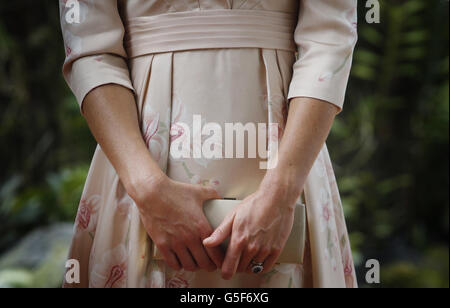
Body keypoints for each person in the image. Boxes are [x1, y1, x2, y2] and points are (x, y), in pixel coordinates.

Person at [60, 0, 358, 288]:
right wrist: (149, 191)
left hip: (288, 170)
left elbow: (329, 39)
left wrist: (281, 195)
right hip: (139, 170)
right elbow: (90, 50)